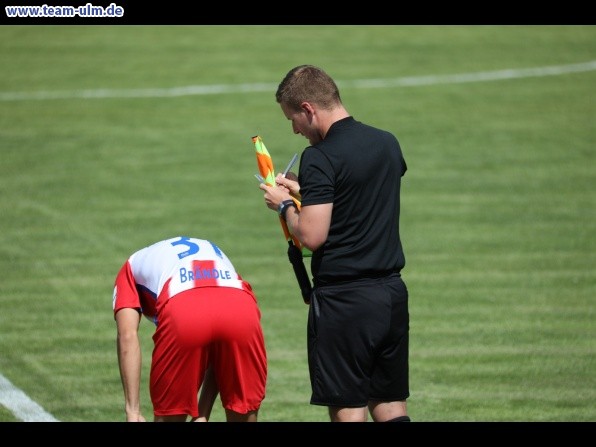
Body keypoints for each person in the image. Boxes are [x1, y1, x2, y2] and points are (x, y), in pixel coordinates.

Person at [259, 65, 410, 422]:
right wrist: (308, 191)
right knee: (390, 406)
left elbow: (312, 235)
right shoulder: (386, 141)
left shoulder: (320, 157)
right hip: (389, 296)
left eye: (293, 118)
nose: (295, 129)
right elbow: (359, 192)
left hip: (345, 304)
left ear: (309, 108)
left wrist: (284, 205)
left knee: (349, 410)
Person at [112, 236, 267, 422]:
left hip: (183, 307)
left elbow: (127, 336)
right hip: (241, 305)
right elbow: (219, 346)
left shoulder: (129, 268)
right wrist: (202, 414)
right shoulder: (210, 251)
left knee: (169, 416)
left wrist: (133, 410)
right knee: (243, 413)